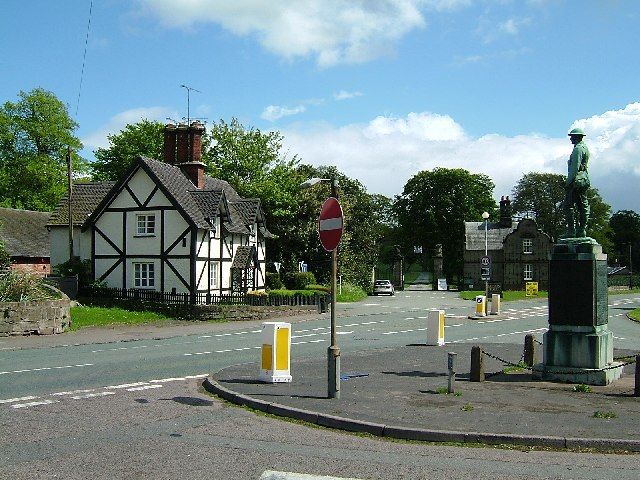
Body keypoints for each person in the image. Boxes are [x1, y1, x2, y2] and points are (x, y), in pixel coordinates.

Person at [563, 127, 590, 238]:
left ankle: (571, 231)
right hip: (584, 179)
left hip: (576, 181)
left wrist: (568, 182)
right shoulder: (585, 148)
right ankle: (581, 230)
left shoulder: (578, 149)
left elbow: (574, 168)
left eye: (572, 137)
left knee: (568, 206)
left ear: (577, 137)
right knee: (583, 206)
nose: (570, 139)